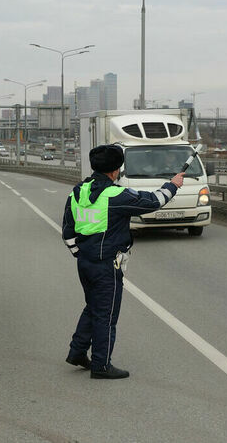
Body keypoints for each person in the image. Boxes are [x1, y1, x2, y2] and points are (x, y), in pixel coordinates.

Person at [62, 144, 184, 379]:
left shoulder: (77, 192)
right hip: (106, 265)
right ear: (116, 170)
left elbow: (68, 231)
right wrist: (173, 184)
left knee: (93, 307)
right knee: (106, 315)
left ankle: (77, 352)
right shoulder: (116, 196)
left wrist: (80, 254)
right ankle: (101, 366)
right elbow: (154, 201)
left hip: (85, 263)